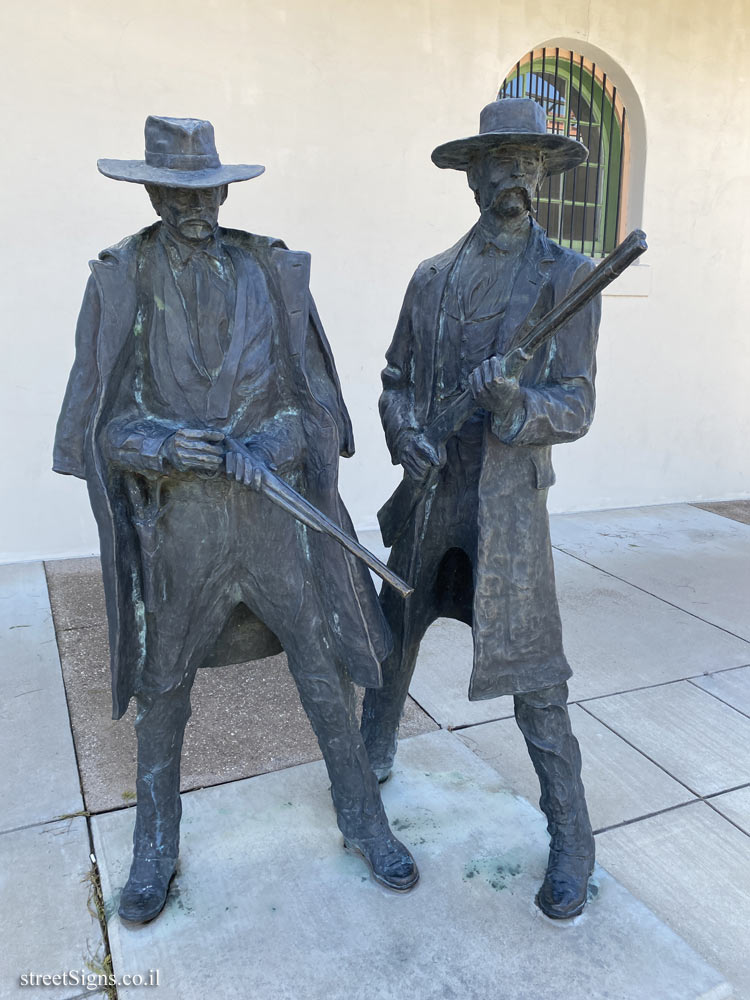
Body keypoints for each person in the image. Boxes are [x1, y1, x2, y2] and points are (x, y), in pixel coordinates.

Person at [53, 115, 418, 923]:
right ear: (151, 192)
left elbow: (311, 405)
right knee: (164, 687)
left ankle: (363, 819)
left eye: (206, 189)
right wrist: (167, 444)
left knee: (321, 670)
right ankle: (156, 849)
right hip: (181, 531)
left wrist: (271, 443)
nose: (195, 205)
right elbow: (101, 428)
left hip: (272, 523)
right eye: (176, 192)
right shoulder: (122, 280)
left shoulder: (267, 271)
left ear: (224, 188)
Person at [360, 98, 600, 919]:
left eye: (527, 164)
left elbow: (575, 404)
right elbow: (394, 376)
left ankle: (570, 831)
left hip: (507, 511)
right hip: (428, 496)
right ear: (470, 177)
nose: (513, 179)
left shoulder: (568, 278)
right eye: (497, 163)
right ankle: (371, 758)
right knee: (389, 638)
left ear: (543, 176)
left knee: (536, 675)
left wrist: (513, 404)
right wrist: (405, 439)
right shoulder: (430, 277)